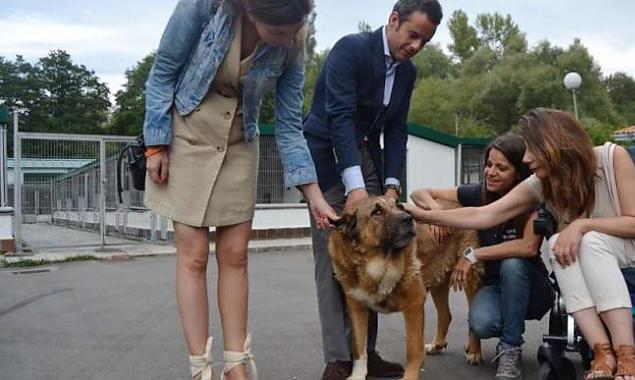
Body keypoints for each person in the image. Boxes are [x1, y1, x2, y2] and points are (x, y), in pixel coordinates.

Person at [404, 108, 635, 380]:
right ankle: (601, 354)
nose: (526, 158)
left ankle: (628, 356)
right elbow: (483, 214)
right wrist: (425, 215)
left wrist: (581, 225)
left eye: (531, 149)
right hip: (597, 252)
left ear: (553, 144)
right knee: (561, 242)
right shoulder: (541, 183)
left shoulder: (610, 157)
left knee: (587, 240)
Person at [143, 1, 336, 379]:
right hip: (188, 130)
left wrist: (314, 195)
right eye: (279, 32)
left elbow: (289, 124)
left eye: (296, 29)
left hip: (239, 141)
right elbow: (163, 72)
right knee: (194, 256)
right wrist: (156, 143)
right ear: (250, 11)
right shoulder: (205, 7)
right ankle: (201, 368)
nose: (288, 40)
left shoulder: (295, 39)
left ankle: (236, 366)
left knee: (235, 256)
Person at [302, 0, 443, 379]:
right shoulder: (351, 49)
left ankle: (367, 353)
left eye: (424, 42)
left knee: (381, 248)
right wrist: (354, 189)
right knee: (333, 260)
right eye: (413, 35)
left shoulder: (407, 72)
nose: (415, 47)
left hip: (368, 156)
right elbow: (340, 118)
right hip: (327, 158)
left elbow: (396, 130)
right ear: (393, 20)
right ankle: (338, 358)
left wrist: (393, 185)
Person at [410, 133, 554, 380]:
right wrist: (435, 213)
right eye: (489, 165)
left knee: (512, 263)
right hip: (495, 286)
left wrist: (473, 254)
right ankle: (500, 331)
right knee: (481, 323)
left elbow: (528, 247)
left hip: (531, 288)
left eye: (501, 168)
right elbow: (419, 193)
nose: (491, 172)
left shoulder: (532, 198)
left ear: (518, 173)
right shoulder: (479, 193)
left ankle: (510, 348)